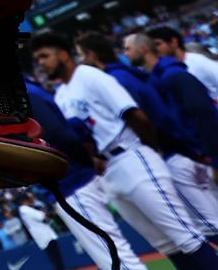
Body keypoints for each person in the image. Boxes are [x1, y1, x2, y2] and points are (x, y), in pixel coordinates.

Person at [29, 31, 218, 270]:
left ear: (64, 53)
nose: (41, 63)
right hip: (108, 172)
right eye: (36, 59)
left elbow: (135, 114)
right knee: (169, 246)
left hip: (130, 155)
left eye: (45, 55)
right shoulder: (62, 93)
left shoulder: (90, 76)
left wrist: (149, 154)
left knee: (186, 236)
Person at [78, 32, 218, 237]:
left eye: (127, 48)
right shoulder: (140, 74)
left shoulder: (128, 77)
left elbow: (182, 116)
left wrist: (206, 155)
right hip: (187, 152)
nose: (124, 53)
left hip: (174, 154)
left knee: (207, 224)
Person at [151, 25, 218, 103]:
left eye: (158, 44)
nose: (155, 49)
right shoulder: (168, 70)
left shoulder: (198, 60)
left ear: (173, 42)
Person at [15, 196, 67, 270]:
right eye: (29, 199)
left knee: (55, 257)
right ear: (24, 201)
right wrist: (47, 211)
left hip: (43, 235)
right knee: (55, 257)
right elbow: (41, 216)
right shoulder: (25, 209)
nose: (31, 201)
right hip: (44, 235)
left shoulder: (24, 209)